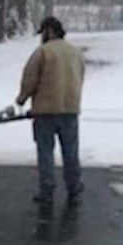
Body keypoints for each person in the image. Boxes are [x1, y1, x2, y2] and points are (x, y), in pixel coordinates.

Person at [15, 15, 85, 208]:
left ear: (49, 31)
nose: (41, 37)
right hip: (70, 109)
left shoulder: (42, 53)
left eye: (43, 33)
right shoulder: (75, 52)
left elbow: (30, 79)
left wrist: (21, 99)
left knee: (45, 152)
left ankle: (47, 189)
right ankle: (74, 186)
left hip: (45, 111)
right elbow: (80, 76)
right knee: (71, 151)